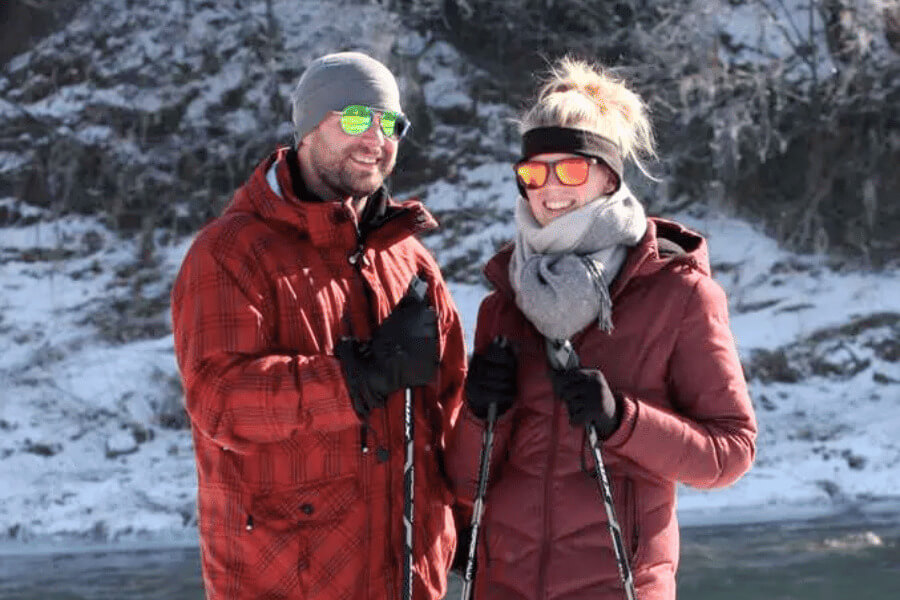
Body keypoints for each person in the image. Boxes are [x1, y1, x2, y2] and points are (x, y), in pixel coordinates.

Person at [446, 56, 758, 600]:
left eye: (569, 169)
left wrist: (624, 421)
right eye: (533, 172)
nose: (549, 189)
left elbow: (730, 453)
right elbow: (466, 484)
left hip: (618, 586)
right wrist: (477, 413)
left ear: (608, 175)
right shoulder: (505, 302)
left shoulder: (676, 294)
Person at [171, 51, 467, 600]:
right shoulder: (230, 252)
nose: (375, 137)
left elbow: (447, 404)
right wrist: (354, 379)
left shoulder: (410, 259)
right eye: (356, 117)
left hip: (410, 580)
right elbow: (219, 399)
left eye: (390, 123)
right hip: (282, 579)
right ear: (308, 128)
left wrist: (473, 515)